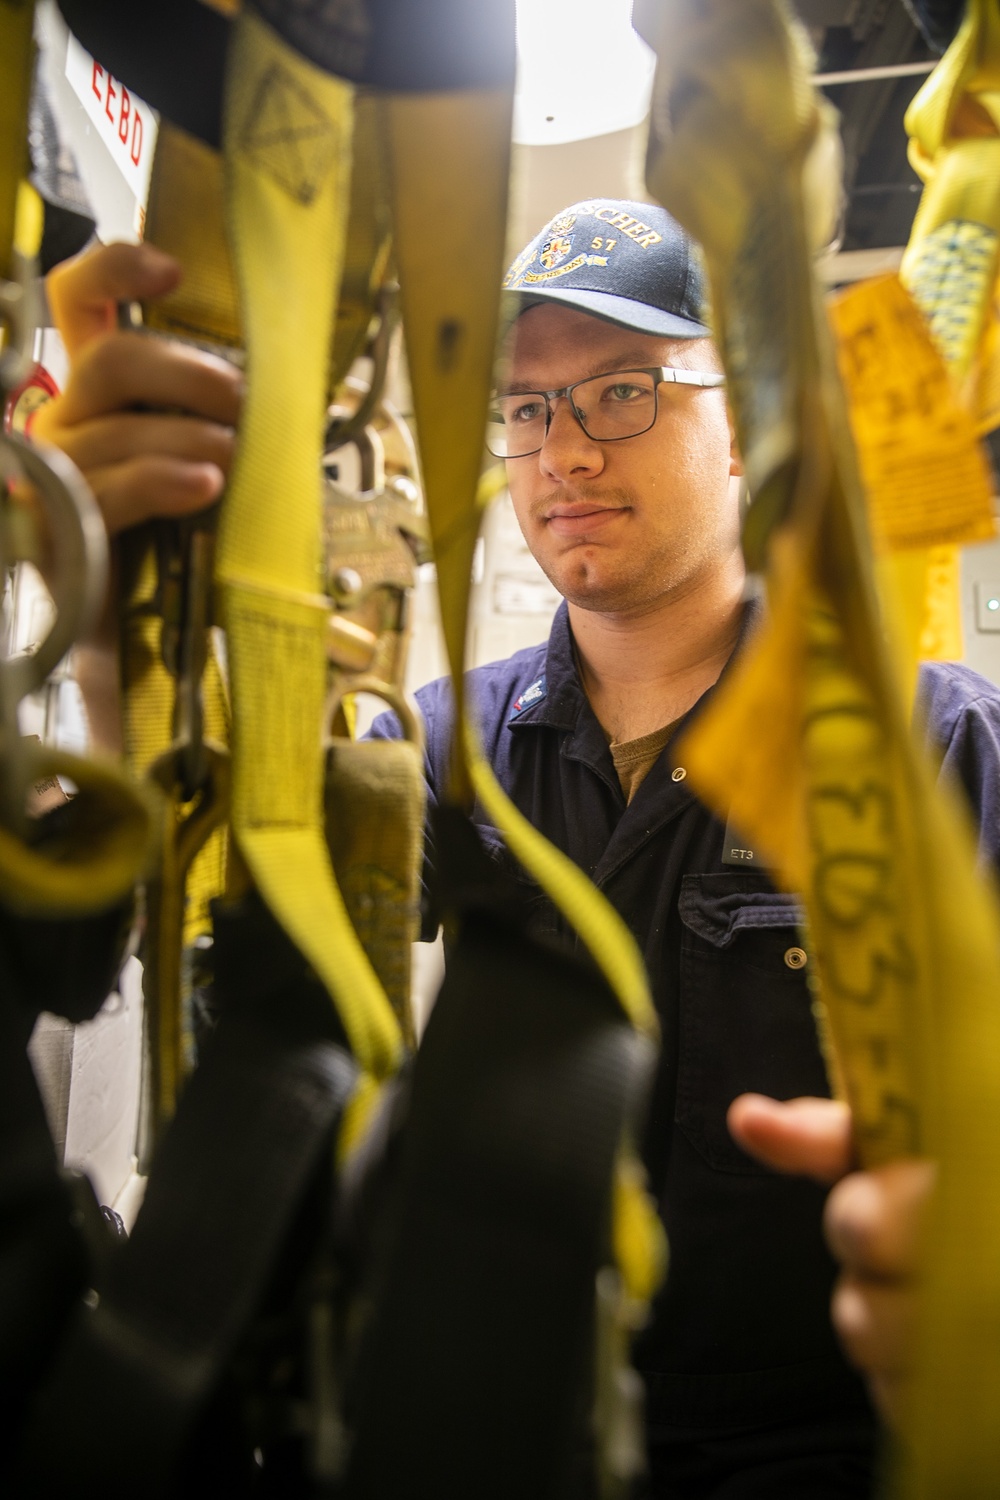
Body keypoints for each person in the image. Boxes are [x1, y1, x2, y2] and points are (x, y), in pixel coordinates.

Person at [30, 201, 1000, 1496]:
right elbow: (210, 904)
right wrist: (114, 640)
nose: (565, 456)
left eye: (622, 391)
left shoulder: (932, 749)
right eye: (528, 409)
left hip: (811, 1457)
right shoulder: (435, 748)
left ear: (750, 427)